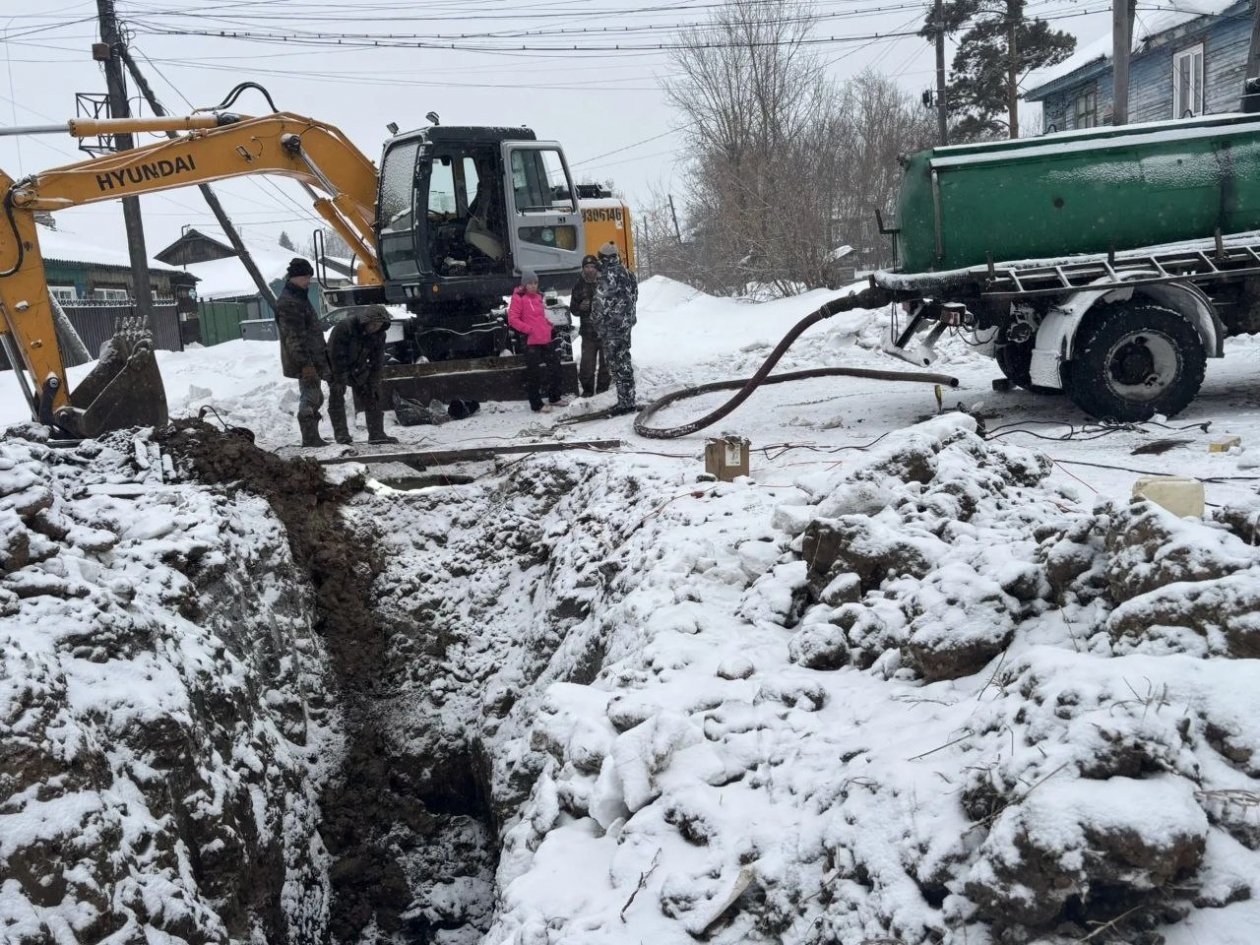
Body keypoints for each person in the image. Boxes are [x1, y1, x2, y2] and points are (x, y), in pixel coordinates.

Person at [275, 257, 331, 447]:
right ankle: (309, 437)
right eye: (306, 277)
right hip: (305, 360)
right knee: (311, 396)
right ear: (295, 277)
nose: (308, 281)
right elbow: (294, 338)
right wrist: (305, 364)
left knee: (315, 395)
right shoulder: (290, 302)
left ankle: (311, 436)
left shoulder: (298, 296)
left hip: (311, 357)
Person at [327, 305, 399, 445]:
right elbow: (334, 354)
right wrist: (339, 377)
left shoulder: (379, 335)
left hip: (358, 367)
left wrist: (374, 382)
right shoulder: (345, 327)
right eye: (373, 324)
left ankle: (377, 434)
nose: (375, 327)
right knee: (337, 393)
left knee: (373, 393)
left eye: (378, 325)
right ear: (365, 321)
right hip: (335, 366)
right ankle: (342, 435)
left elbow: (377, 361)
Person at [508, 270, 566, 413]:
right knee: (534, 374)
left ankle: (554, 397)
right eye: (530, 283)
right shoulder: (518, 298)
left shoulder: (538, 296)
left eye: (535, 283)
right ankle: (536, 404)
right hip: (530, 342)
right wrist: (528, 329)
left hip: (545, 339)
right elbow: (512, 319)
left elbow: (539, 316)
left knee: (556, 367)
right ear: (524, 284)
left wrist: (548, 325)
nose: (533, 286)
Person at [592, 241, 638, 415]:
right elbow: (634, 298)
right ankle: (628, 399)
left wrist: (596, 323)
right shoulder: (628, 273)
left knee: (617, 364)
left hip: (612, 328)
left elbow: (599, 304)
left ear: (602, 257)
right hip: (626, 325)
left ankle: (624, 404)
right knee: (624, 360)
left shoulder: (607, 275)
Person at [569, 254, 609, 398]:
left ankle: (603, 392)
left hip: (605, 332)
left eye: (592, 266)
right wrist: (580, 307)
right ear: (583, 268)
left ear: (596, 268)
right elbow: (573, 309)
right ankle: (587, 392)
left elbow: (614, 304)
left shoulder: (605, 283)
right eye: (587, 267)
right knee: (586, 366)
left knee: (606, 365)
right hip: (588, 333)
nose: (590, 269)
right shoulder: (578, 285)